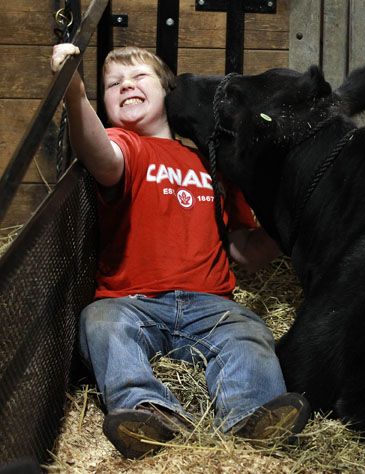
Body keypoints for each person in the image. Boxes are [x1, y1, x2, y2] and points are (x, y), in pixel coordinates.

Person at [50, 44, 310, 459]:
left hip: (210, 306)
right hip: (134, 301)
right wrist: (74, 93)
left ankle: (250, 416)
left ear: (167, 90)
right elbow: (100, 155)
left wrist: (288, 224)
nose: (126, 86)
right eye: (113, 84)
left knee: (248, 331)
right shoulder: (125, 146)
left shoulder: (211, 166)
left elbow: (243, 252)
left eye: (139, 77)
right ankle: (147, 410)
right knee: (99, 322)